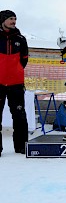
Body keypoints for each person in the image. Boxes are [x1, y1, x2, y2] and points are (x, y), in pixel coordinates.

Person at [0, 10, 29, 155]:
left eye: (15, 19)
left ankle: (21, 146)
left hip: (16, 83)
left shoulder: (21, 39)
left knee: (19, 116)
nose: (14, 21)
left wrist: (15, 71)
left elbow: (24, 60)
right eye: (11, 19)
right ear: (3, 20)